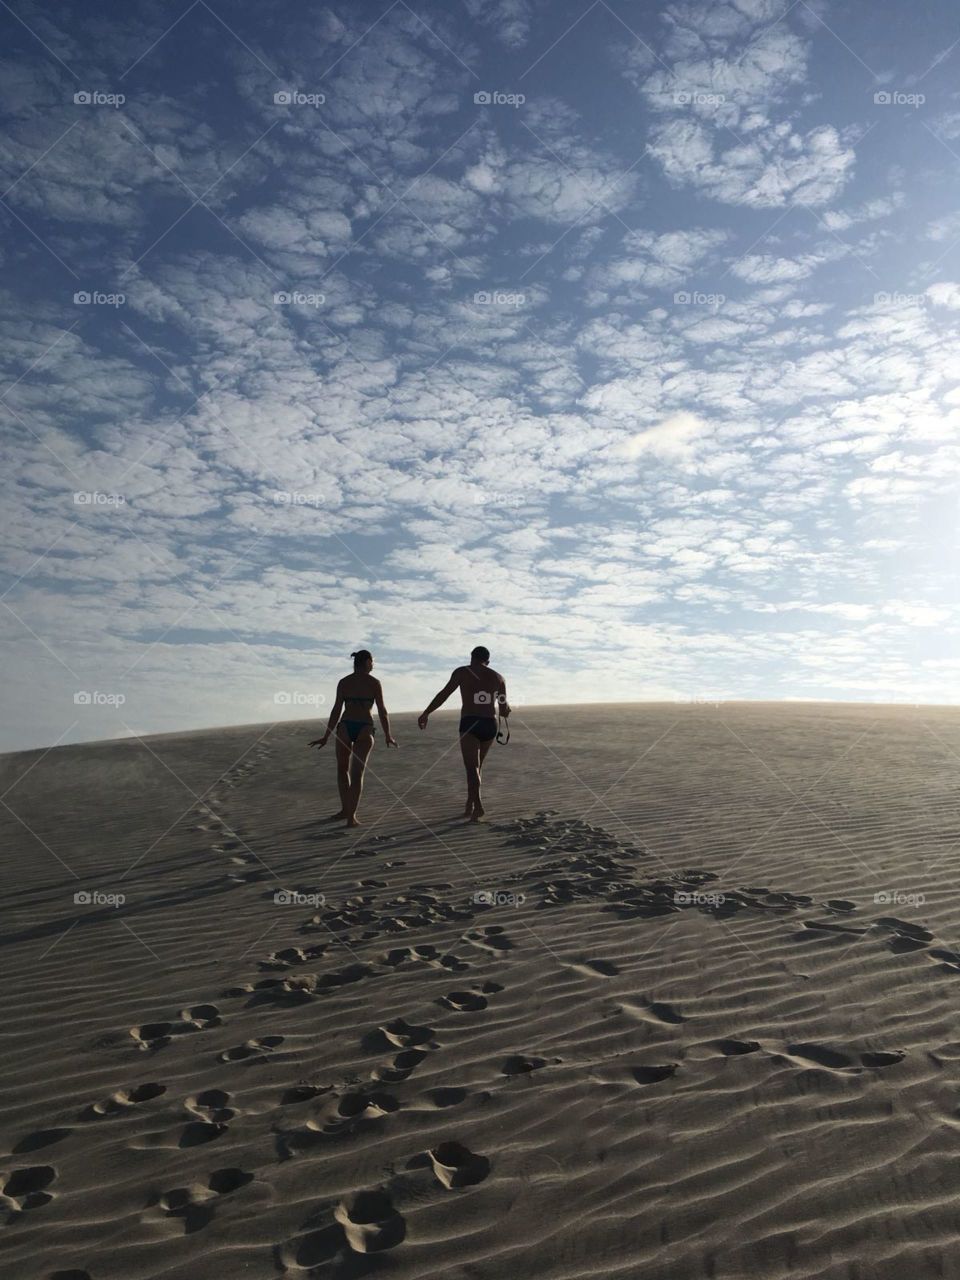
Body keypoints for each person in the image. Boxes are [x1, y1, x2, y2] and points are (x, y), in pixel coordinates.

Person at [418, 645, 510, 822]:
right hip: (490, 724)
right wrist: (506, 710)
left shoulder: (462, 672)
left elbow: (444, 694)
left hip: (470, 722)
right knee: (477, 766)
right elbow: (503, 708)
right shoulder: (499, 678)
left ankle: (479, 806)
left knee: (471, 767)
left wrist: (427, 712)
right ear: (488, 661)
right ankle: (470, 804)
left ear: (471, 657)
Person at [308, 650, 397, 827]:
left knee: (342, 770)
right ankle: (351, 816)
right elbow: (382, 710)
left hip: (345, 726)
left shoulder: (344, 682)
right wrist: (388, 735)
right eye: (372, 662)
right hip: (365, 727)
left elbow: (336, 710)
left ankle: (345, 810)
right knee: (357, 774)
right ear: (366, 662)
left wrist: (327, 735)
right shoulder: (374, 683)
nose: (373, 665)